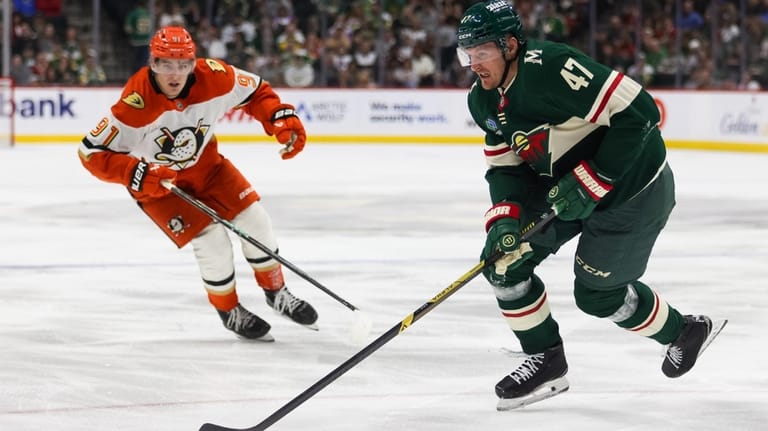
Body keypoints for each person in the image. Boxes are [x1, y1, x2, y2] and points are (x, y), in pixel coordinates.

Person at [455, 0, 726, 410]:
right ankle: (545, 358)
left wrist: (593, 179)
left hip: (634, 189)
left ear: (509, 45)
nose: (473, 64)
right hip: (565, 188)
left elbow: (641, 112)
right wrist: (506, 218)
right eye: (467, 55)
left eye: (481, 53)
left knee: (598, 296)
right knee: (503, 264)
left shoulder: (551, 67)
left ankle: (683, 331)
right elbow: (506, 166)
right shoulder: (483, 100)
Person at [78, 26, 318, 342]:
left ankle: (276, 291)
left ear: (194, 63)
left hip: (209, 167)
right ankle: (229, 310)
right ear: (152, 63)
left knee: (256, 220)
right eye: (165, 63)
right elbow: (90, 153)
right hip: (159, 186)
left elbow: (257, 90)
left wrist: (279, 118)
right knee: (212, 241)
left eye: (182, 64)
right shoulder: (134, 105)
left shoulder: (216, 77)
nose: (174, 73)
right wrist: (137, 173)